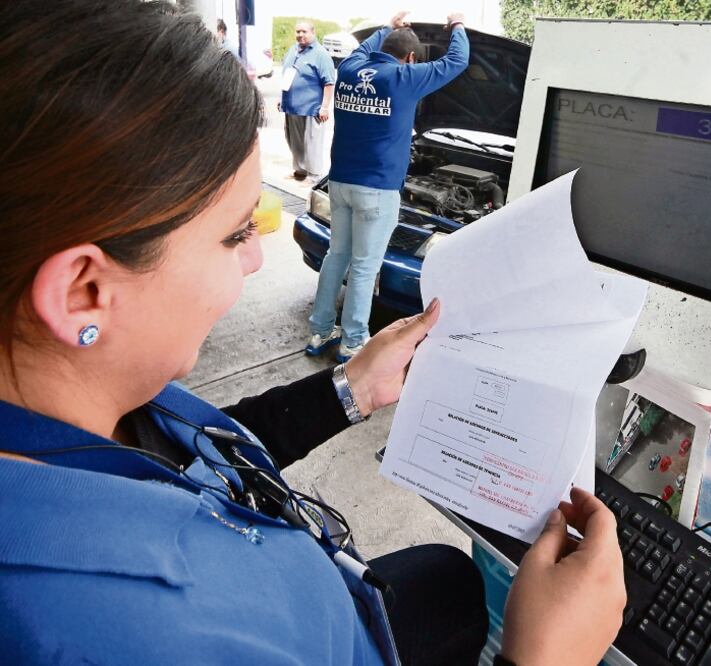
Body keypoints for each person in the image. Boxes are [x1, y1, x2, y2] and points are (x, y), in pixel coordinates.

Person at [0, 1, 626, 664]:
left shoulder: (87, 408)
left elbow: (191, 450)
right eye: (237, 233)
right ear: (83, 294)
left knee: (448, 578)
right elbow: (454, 64)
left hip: (325, 592)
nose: (253, 259)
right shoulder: (143, 638)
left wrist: (348, 389)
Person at [305, 11, 469, 361]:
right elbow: (458, 59)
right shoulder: (405, 77)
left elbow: (364, 49)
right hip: (377, 189)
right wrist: (457, 24)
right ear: (410, 58)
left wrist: (387, 27)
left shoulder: (348, 68)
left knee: (337, 256)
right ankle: (353, 342)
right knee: (365, 265)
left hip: (340, 182)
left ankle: (319, 332)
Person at [280, 20, 335, 182]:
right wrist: (281, 98)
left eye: (304, 31)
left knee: (312, 143)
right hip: (292, 106)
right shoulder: (293, 50)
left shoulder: (321, 54)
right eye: (298, 32)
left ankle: (314, 175)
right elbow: (287, 75)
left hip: (312, 108)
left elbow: (329, 82)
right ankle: (299, 171)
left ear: (313, 32)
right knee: (294, 142)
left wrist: (324, 107)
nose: (300, 35)